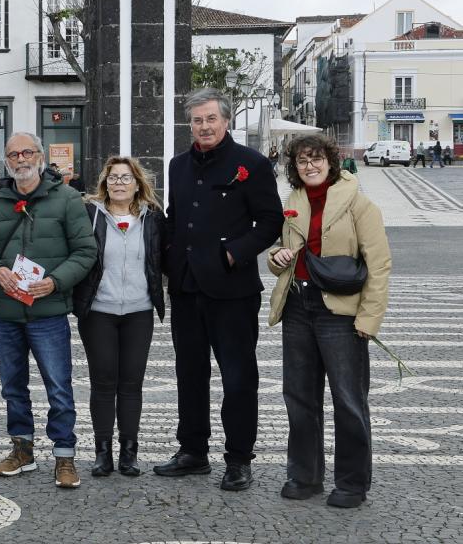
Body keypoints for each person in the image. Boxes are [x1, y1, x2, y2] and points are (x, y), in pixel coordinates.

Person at [155, 88, 282, 491]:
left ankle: (239, 458)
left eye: (211, 119)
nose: (204, 126)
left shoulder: (252, 164)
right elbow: (176, 218)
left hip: (233, 290)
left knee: (238, 378)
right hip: (187, 288)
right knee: (189, 374)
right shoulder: (177, 165)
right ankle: (193, 450)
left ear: (226, 121)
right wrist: (170, 259)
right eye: (197, 120)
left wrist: (234, 255)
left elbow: (270, 221)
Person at [0, 131, 96, 489]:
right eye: (13, 155)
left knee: (58, 386)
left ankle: (65, 456)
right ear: (6, 161)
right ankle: (21, 449)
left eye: (27, 152)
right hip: (8, 312)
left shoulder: (68, 199)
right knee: (12, 387)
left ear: (40, 156)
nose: (20, 159)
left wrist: (55, 282)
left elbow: (86, 252)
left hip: (49, 310)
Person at [268, 134, 390, 508]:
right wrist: (276, 258)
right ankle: (305, 476)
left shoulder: (358, 202)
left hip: (340, 313)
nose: (310, 166)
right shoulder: (293, 201)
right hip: (298, 307)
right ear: (295, 167)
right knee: (299, 397)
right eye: (303, 161)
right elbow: (278, 249)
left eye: (317, 159)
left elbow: (379, 264)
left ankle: (352, 483)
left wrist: (368, 319)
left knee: (348, 399)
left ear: (331, 162)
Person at [72, 156, 165, 478]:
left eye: (126, 178)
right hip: (99, 311)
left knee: (131, 383)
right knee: (103, 382)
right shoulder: (90, 214)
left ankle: (129, 452)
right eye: (113, 178)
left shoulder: (152, 217)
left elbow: (163, 257)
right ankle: (102, 452)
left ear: (137, 184)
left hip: (139, 310)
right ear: (105, 182)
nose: (119, 183)